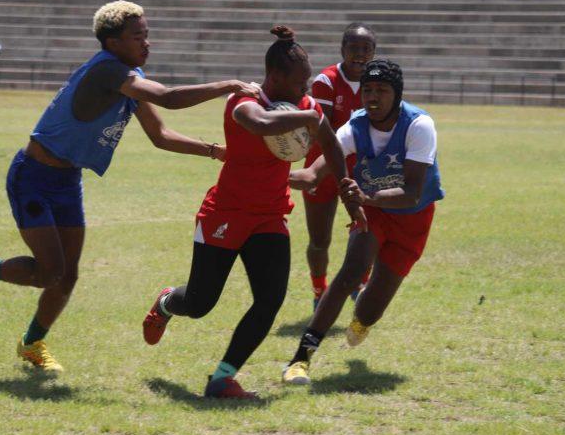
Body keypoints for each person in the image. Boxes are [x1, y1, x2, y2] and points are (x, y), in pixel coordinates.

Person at [0, 0, 259, 375]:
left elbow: (160, 135)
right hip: (33, 176)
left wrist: (215, 151)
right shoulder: (109, 70)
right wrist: (228, 85)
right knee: (50, 272)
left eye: (147, 34)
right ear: (113, 42)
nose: (147, 42)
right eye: (138, 36)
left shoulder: (130, 76)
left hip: (67, 181)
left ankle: (31, 344)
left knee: (68, 275)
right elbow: (168, 98)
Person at [140, 26, 366, 399]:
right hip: (225, 213)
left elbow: (331, 143)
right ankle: (166, 302)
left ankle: (222, 378)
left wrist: (347, 192)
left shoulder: (305, 107)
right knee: (199, 303)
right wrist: (309, 120)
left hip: (270, 216)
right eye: (299, 83)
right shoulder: (243, 101)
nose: (305, 90)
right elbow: (260, 123)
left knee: (270, 299)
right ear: (274, 77)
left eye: (308, 82)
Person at [281, 59, 444, 385]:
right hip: (373, 213)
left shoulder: (419, 125)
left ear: (397, 94)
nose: (372, 96)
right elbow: (312, 174)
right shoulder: (354, 127)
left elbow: (412, 193)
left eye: (381, 90)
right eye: (367, 89)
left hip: (412, 217)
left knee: (369, 311)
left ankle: (363, 318)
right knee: (350, 273)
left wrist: (366, 197)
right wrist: (263, 171)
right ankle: (300, 359)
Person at [304, 23, 376, 312]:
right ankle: (319, 290)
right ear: (342, 49)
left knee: (366, 233)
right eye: (353, 48)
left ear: (373, 52)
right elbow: (324, 133)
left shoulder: (377, 81)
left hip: (362, 171)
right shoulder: (327, 80)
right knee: (320, 241)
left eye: (366, 49)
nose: (360, 54)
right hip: (323, 167)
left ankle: (360, 286)